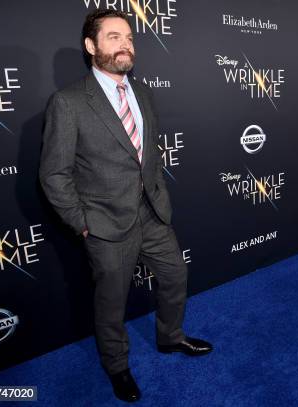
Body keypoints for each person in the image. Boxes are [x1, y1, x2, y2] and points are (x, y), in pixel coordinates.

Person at [39, 9, 212, 402]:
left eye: (130, 37)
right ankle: (117, 367)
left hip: (152, 213)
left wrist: (155, 195)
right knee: (111, 302)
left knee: (174, 276)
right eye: (114, 37)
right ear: (91, 46)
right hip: (104, 224)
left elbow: (145, 154)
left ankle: (170, 338)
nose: (126, 45)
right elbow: (53, 175)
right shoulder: (68, 103)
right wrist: (83, 223)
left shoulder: (143, 93)